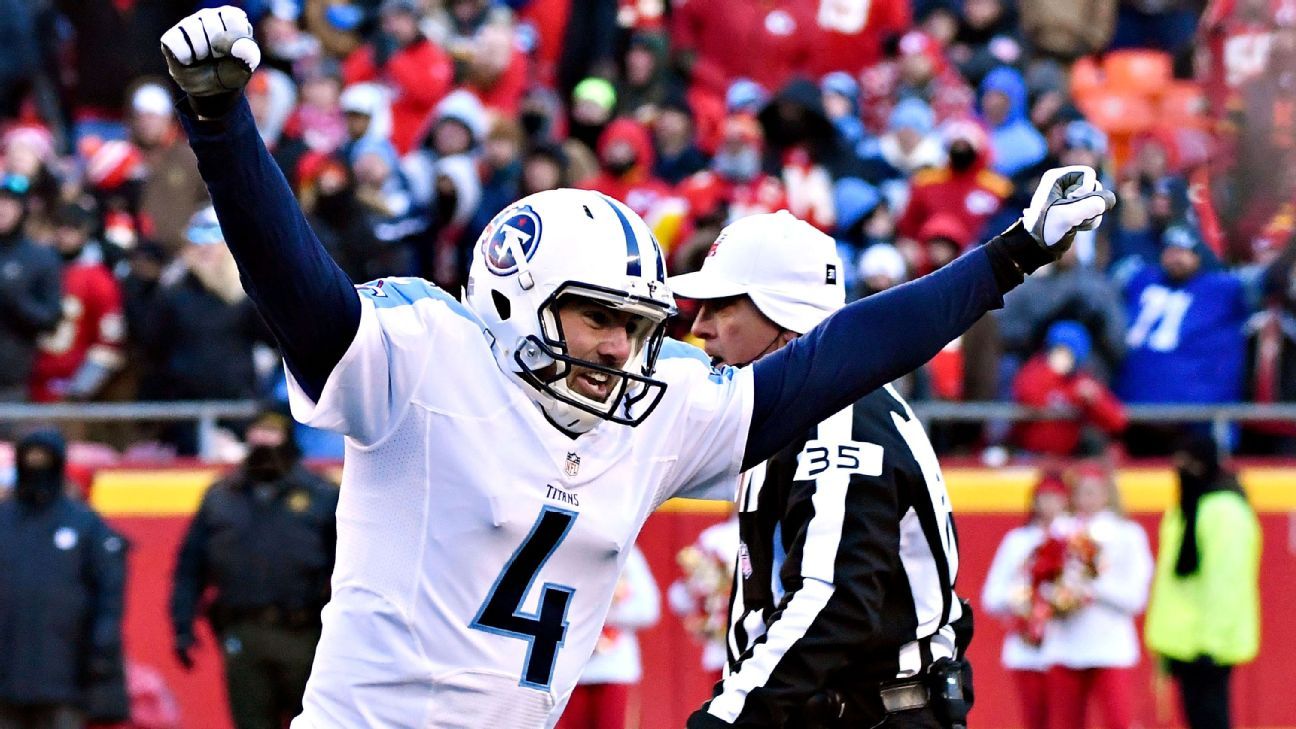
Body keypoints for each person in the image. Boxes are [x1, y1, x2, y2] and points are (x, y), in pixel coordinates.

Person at [158, 8, 1115, 727]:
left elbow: (841, 357)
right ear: (516, 298)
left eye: (637, 322)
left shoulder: (657, 411)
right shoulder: (425, 360)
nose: (623, 347)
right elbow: (297, 288)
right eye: (598, 318)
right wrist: (222, 122)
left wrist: (1010, 254)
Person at [674, 211, 971, 728]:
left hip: (867, 714)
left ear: (786, 322)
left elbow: (836, 600)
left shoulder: (840, 417)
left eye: (720, 305)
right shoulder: (793, 418)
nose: (699, 327)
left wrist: (731, 716)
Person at [170, 410, 339, 729]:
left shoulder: (322, 494)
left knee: (318, 721)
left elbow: (346, 567)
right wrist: (182, 625)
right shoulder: (221, 496)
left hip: (305, 632)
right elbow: (191, 566)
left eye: (272, 433)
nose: (264, 442)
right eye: (258, 433)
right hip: (242, 630)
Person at [0, 430, 128, 729]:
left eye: (44, 461)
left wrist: (102, 654)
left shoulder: (84, 523)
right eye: (30, 460)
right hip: (5, 674)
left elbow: (109, 595)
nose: (37, 469)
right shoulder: (4, 521)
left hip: (67, 675)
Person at [1145, 434, 1261, 729]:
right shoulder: (1185, 509)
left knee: (1212, 717)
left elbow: (1227, 584)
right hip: (1185, 640)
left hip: (1208, 644)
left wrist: (1211, 643)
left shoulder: (1226, 512)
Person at [1042, 465, 1152, 729]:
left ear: (1107, 495)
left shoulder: (1127, 534)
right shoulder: (1059, 531)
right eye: (1080, 492)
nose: (1086, 499)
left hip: (1110, 645)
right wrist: (1060, 596)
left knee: (1118, 720)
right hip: (1065, 642)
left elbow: (1135, 598)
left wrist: (1091, 588)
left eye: (1093, 492)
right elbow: (1042, 580)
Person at [981, 473, 1070, 729]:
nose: (1049, 505)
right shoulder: (1018, 541)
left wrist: (1059, 599)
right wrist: (1023, 600)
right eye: (1043, 498)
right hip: (1027, 645)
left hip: (1067, 643)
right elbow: (992, 596)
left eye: (1055, 498)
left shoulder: (1075, 537)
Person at [556, 545, 660, 729]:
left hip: (614, 665)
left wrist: (601, 611)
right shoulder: (567, 548)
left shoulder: (627, 552)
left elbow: (648, 610)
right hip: (569, 667)